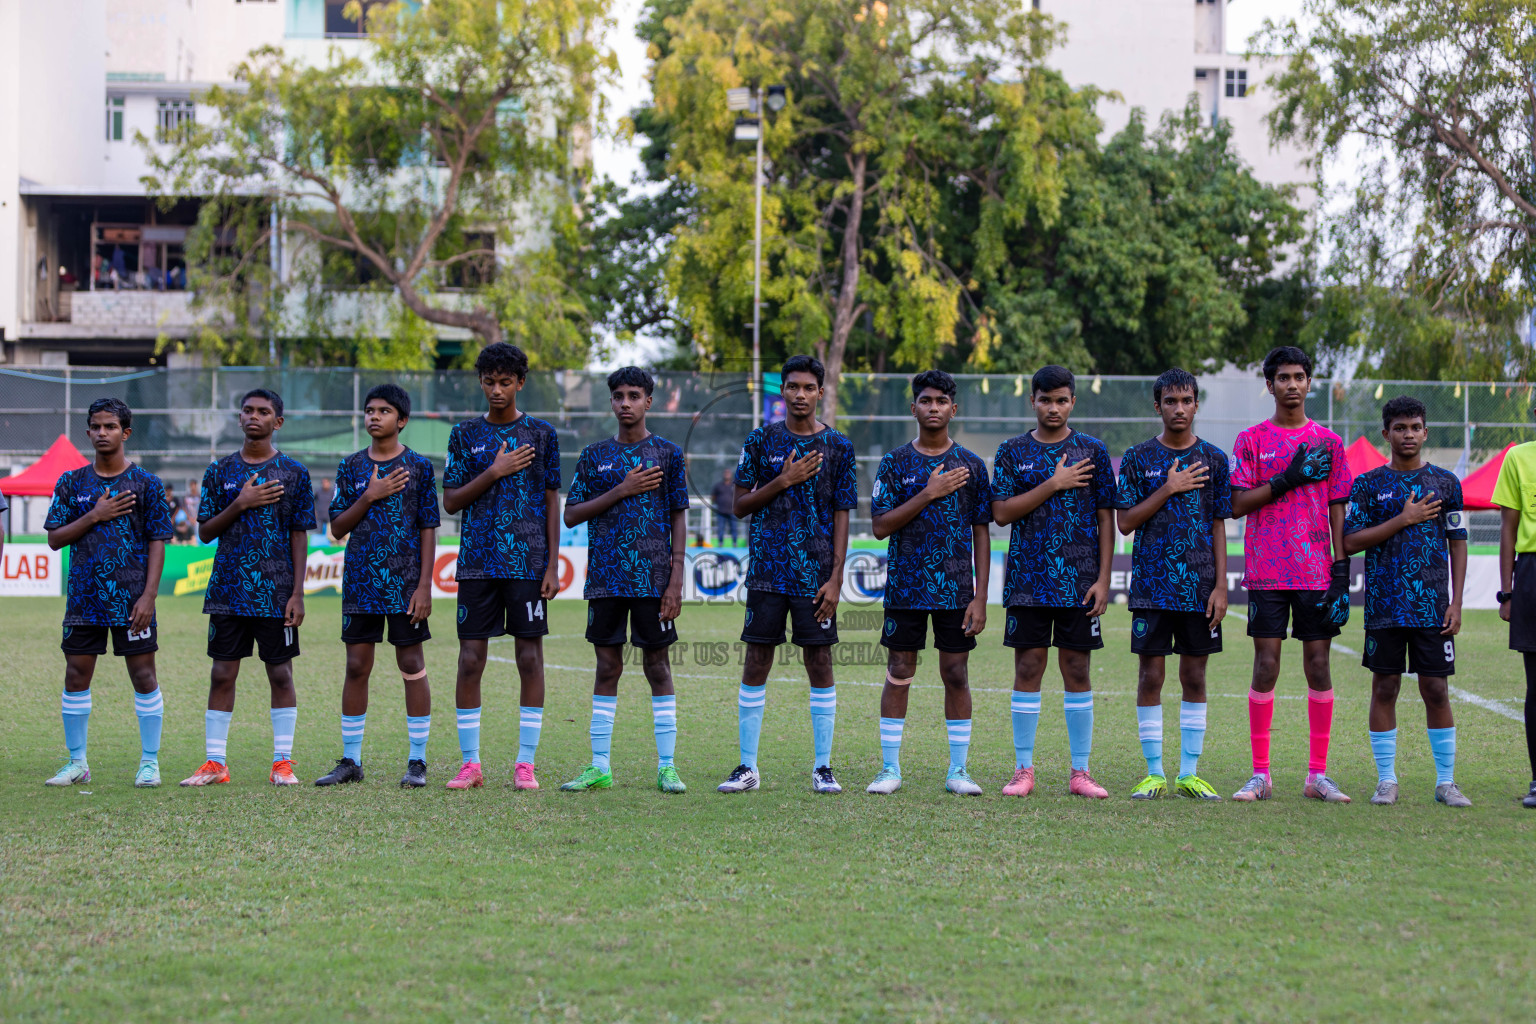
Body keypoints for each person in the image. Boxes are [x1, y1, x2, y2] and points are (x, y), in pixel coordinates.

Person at [717, 355, 858, 795]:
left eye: (808, 387)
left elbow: (842, 515)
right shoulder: (760, 441)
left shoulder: (839, 446)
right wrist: (782, 480)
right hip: (766, 573)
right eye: (792, 387)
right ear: (783, 392)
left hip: (815, 575)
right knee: (757, 660)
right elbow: (739, 505)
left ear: (820, 392)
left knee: (819, 661)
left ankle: (822, 767)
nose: (800, 394)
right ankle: (747, 767)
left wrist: (836, 577)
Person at [1229, 346, 1353, 803]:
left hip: (1318, 572)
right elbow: (1238, 504)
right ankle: (1260, 774)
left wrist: (1342, 571)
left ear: (1308, 382)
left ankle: (1316, 775)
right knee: (1266, 666)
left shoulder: (1329, 443)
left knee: (1319, 665)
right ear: (1270, 385)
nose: (1293, 384)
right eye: (1283, 377)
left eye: (1300, 376)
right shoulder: (1252, 440)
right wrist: (1288, 477)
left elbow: (1338, 508)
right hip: (1266, 572)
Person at [560, 367, 691, 793]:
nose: (626, 403)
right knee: (607, 666)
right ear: (611, 402)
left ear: (649, 401)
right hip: (606, 579)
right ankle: (600, 765)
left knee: (658, 666)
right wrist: (621, 488)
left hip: (654, 581)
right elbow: (571, 514)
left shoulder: (668, 454)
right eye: (618, 396)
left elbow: (678, 516)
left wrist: (675, 577)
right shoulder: (594, 456)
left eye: (634, 395)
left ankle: (667, 766)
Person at [990, 365, 1115, 799]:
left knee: (1077, 669)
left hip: (1080, 584)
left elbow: (1105, 517)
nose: (1054, 408)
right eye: (1046, 400)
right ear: (1033, 402)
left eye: (1062, 400)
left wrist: (1103, 578)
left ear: (1073, 402)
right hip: (1028, 581)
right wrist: (1054, 482)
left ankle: (1080, 772)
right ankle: (1024, 769)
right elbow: (1001, 513)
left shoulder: (1093, 450)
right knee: (1028, 668)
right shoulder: (1011, 450)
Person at [180, 388, 315, 787]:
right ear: (239, 418)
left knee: (280, 675)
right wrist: (240, 502)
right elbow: (205, 532)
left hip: (276, 593)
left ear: (278, 422)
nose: (254, 416)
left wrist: (297, 592)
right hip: (228, 590)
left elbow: (298, 535)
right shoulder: (219, 472)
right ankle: (215, 763)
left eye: (264, 411)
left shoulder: (294, 473)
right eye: (248, 410)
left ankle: (282, 764)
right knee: (222, 673)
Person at [866, 370, 992, 796]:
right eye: (926, 400)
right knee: (899, 670)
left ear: (953, 409)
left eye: (941, 400)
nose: (933, 407)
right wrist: (928, 492)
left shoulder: (972, 465)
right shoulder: (895, 463)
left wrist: (980, 596)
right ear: (914, 407)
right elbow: (881, 526)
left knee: (955, 673)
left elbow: (981, 532)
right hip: (905, 588)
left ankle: (959, 770)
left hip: (956, 590)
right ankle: (889, 769)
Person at [442, 343, 561, 791]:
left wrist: (550, 563)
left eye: (505, 382)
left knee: (529, 658)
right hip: (477, 563)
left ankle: (524, 764)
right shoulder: (464, 435)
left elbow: (552, 501)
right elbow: (452, 501)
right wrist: (494, 470)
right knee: (470, 660)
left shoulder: (543, 434)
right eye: (489, 381)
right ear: (481, 382)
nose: (496, 390)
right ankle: (470, 764)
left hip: (528, 565)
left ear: (520, 383)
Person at [1344, 396, 1470, 808]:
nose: (1409, 434)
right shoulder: (1368, 486)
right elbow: (1348, 542)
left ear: (1425, 432)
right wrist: (1402, 518)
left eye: (1415, 427)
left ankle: (1446, 783)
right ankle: (1386, 781)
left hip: (1433, 607)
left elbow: (1458, 542)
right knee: (1385, 688)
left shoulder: (1447, 484)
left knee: (1436, 689)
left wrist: (1457, 601)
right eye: (1400, 428)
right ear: (1386, 434)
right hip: (1384, 607)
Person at [314, 384, 441, 789]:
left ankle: (417, 761)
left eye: (384, 411)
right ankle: (351, 760)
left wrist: (424, 585)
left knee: (411, 664)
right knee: (356, 666)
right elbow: (336, 527)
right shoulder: (351, 467)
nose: (374, 416)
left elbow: (428, 528)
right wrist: (369, 495)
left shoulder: (419, 466)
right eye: (369, 410)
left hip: (405, 585)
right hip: (361, 583)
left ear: (401, 420)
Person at [42, 398, 173, 788]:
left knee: (143, 675)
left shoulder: (146, 483)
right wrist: (93, 515)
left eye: (110, 427)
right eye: (96, 427)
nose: (102, 433)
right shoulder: (70, 483)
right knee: (76, 674)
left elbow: (158, 541)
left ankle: (149, 762)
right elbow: (54, 539)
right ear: (88, 432)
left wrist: (149, 595)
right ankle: (77, 763)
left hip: (133, 600)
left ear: (125, 432)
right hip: (85, 599)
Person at [1115, 369, 1230, 801]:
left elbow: (1219, 525)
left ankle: (1188, 773)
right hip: (1151, 587)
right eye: (1170, 401)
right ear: (1157, 406)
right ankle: (1153, 773)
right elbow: (1125, 521)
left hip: (1200, 588)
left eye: (1186, 401)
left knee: (1194, 676)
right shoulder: (1138, 458)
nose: (1178, 409)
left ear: (1196, 405)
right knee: (1151, 675)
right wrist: (1168, 487)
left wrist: (1220, 586)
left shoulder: (1215, 459)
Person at [1492, 401, 1536, 808]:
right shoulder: (1518, 458)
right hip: (1532, 574)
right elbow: (1508, 528)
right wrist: (1506, 592)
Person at [711, 467, 738, 546]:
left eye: (728, 473)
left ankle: (735, 543)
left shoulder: (735, 485)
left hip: (732, 511)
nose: (727, 474)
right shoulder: (718, 486)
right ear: (723, 474)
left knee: (734, 528)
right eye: (725, 473)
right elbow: (713, 497)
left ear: (731, 475)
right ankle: (720, 543)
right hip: (721, 511)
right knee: (720, 528)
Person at [313, 477, 335, 542]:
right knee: (319, 532)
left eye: (326, 482)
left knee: (330, 532)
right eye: (323, 483)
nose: (324, 484)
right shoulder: (318, 492)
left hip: (329, 516)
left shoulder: (332, 492)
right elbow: (312, 501)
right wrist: (314, 511)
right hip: (319, 515)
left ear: (329, 483)